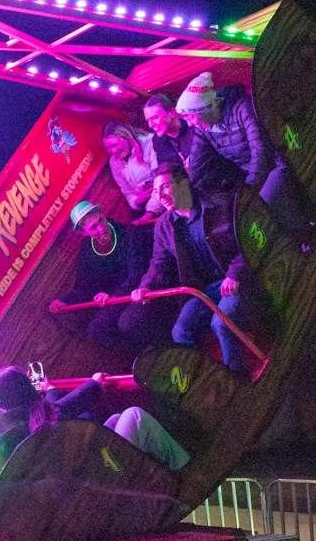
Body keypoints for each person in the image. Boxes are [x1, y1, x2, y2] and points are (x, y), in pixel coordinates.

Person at [134, 166, 262, 375]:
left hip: (236, 278)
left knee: (221, 323)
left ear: (183, 183)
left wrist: (235, 273)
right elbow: (159, 262)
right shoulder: (164, 226)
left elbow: (249, 236)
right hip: (203, 290)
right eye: (156, 192)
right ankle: (207, 378)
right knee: (180, 332)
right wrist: (145, 286)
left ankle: (236, 377)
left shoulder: (220, 203)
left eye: (165, 187)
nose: (160, 196)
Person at [174, 71, 316, 247]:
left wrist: (252, 188)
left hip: (277, 163)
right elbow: (197, 166)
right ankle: (284, 247)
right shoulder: (204, 129)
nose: (190, 123)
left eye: (190, 116)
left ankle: (306, 237)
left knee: (267, 197)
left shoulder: (241, 107)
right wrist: (187, 196)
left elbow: (261, 149)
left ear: (206, 109)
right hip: (251, 177)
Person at [0, 365, 189, 470]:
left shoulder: (8, 427)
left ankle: (160, 475)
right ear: (26, 391)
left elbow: (57, 407)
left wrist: (49, 388)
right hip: (98, 476)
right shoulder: (39, 421)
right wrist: (94, 383)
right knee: (134, 416)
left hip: (85, 475)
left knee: (115, 419)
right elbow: (64, 407)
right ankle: (184, 468)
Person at [51, 201, 160, 354]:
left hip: (139, 288)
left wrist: (113, 296)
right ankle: (144, 353)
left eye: (101, 221)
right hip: (115, 298)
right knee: (95, 329)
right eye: (93, 228)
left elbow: (137, 273)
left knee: (125, 322)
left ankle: (154, 347)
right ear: (84, 233)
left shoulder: (128, 233)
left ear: (103, 215)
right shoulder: (87, 250)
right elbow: (84, 285)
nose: (101, 229)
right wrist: (66, 301)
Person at [100, 121, 165, 215]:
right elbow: (127, 191)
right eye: (108, 148)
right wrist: (137, 201)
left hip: (164, 195)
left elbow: (162, 180)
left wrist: (150, 212)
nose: (113, 151)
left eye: (115, 144)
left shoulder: (149, 142)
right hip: (145, 206)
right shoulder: (114, 162)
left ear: (126, 137)